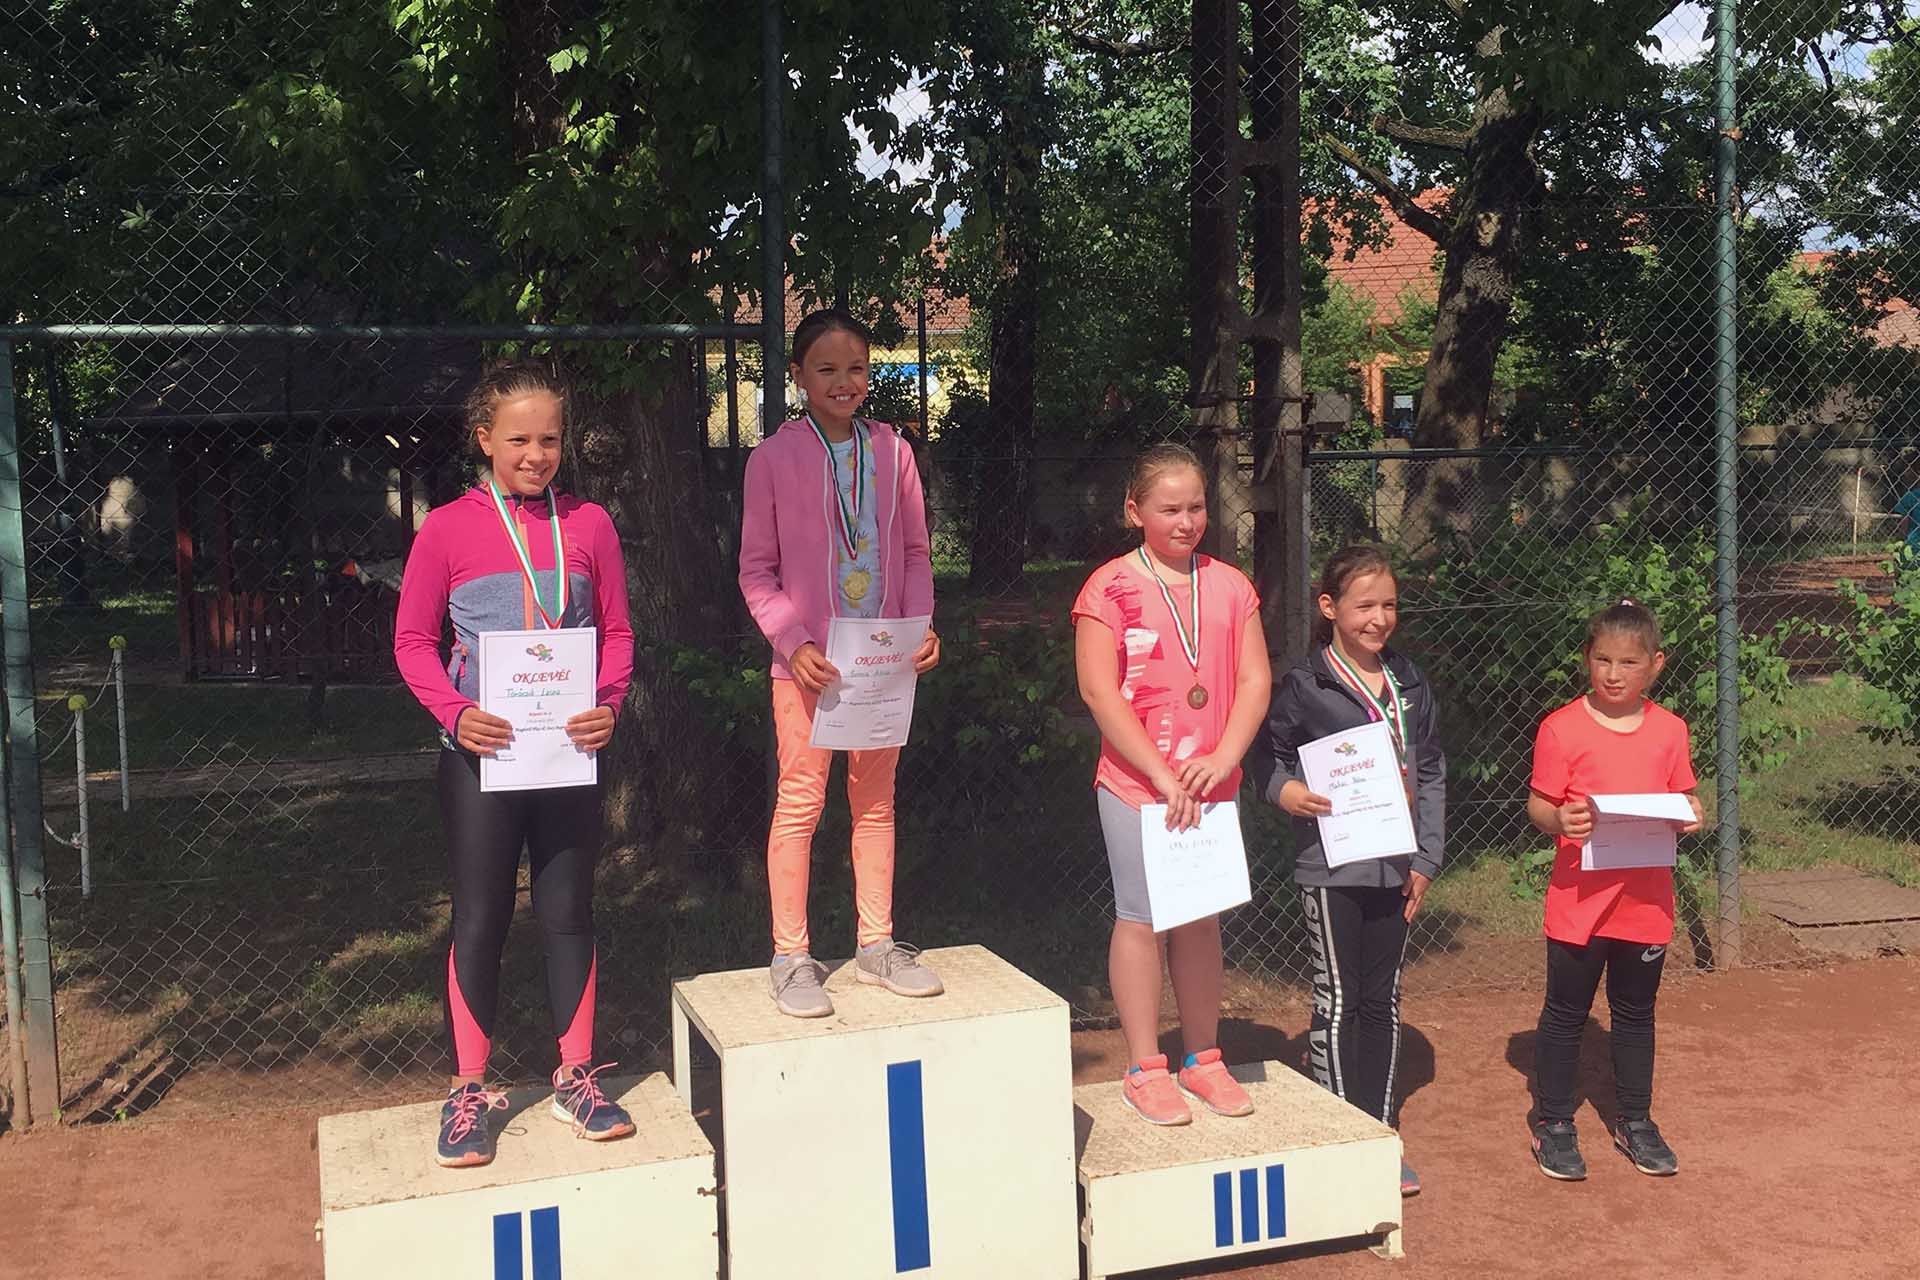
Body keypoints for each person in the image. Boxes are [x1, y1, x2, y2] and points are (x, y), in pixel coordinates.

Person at [394, 358, 636, 1168]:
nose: (536, 455)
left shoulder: (590, 524)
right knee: (481, 918)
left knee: (568, 912)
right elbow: (412, 642)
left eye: (550, 440)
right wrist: (456, 713)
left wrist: (609, 702)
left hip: (567, 755)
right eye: (519, 440)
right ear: (484, 439)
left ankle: (577, 1077)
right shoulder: (445, 529)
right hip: (482, 761)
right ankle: (467, 1091)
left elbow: (619, 634)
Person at [738, 308, 943, 1018]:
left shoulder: (894, 451)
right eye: (825, 369)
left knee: (876, 803)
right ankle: (791, 956)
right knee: (801, 802)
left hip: (882, 668)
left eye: (856, 367)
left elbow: (914, 552)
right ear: (798, 376)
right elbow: (756, 571)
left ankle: (876, 946)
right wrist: (794, 643)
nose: (843, 381)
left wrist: (919, 628)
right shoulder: (771, 459)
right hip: (808, 670)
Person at [1072, 443, 1272, 1126]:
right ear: (1136, 511)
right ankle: (1143, 1066)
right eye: (1169, 509)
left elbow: (1254, 680)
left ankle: (1203, 1059)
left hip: (1209, 785)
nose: (1186, 522)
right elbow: (1099, 691)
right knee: (1142, 916)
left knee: (1200, 917)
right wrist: (1160, 773)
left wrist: (1223, 757)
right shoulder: (1107, 589)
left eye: (1196, 508)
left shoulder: (1232, 586)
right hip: (1137, 785)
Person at [1255, 544, 1444, 1197]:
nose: (1379, 618)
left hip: (1396, 866)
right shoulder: (1304, 684)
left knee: (1382, 1000)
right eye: (1364, 605)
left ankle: (1380, 1132)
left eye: (1389, 604)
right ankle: (1342, 1138)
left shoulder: (1409, 682)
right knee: (1338, 1000)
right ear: (1330, 607)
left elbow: (1430, 769)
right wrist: (1284, 791)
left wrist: (1427, 857)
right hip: (1330, 866)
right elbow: (1266, 757)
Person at [1525, 599, 1703, 1181]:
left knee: (1634, 1013)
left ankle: (1635, 1120)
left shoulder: (1671, 730)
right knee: (1566, 1012)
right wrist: (1559, 820)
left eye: (1629, 662)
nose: (1613, 673)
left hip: (1645, 904)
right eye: (1602, 659)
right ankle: (1554, 1122)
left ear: (1656, 664)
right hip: (1579, 904)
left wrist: (1691, 813)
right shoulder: (1560, 728)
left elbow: (1685, 797)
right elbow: (1539, 805)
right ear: (1587, 658)